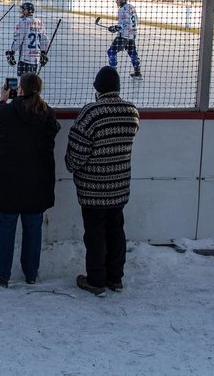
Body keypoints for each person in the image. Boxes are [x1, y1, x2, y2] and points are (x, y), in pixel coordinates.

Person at [65, 66, 140, 296]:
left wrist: (71, 164)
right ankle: (115, 278)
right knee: (116, 231)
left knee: (95, 234)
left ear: (97, 88)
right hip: (119, 187)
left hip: (93, 190)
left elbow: (76, 153)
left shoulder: (92, 113)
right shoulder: (131, 112)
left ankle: (96, 280)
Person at [0, 72, 61, 287]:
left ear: (20, 90)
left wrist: (3, 100)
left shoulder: (5, 112)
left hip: (7, 183)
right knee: (33, 227)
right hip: (37, 184)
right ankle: (31, 272)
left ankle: (1, 272)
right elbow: (52, 129)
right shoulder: (47, 114)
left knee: (6, 226)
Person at [6, 2, 49, 77]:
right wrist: (43, 52)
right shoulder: (39, 22)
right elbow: (44, 39)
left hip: (25, 58)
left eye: (23, 9)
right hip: (35, 58)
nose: (22, 11)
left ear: (29, 11)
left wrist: (12, 51)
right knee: (31, 80)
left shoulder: (22, 22)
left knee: (23, 81)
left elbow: (18, 39)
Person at [107, 0, 142, 78]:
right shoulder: (131, 7)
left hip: (123, 36)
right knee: (132, 53)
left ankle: (113, 72)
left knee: (111, 51)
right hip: (132, 35)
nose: (116, 1)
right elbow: (135, 21)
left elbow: (126, 24)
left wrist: (115, 28)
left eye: (117, 0)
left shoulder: (122, 9)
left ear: (122, 0)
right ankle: (137, 72)